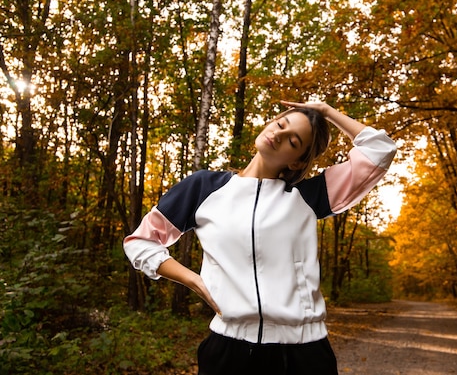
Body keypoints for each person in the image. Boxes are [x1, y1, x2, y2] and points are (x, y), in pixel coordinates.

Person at [123, 100, 397, 375]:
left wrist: (324, 111)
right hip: (228, 351)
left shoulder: (309, 197)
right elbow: (141, 243)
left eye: (292, 140)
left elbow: (379, 151)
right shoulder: (204, 188)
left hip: (303, 354)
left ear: (298, 160)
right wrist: (192, 280)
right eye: (280, 124)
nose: (278, 134)